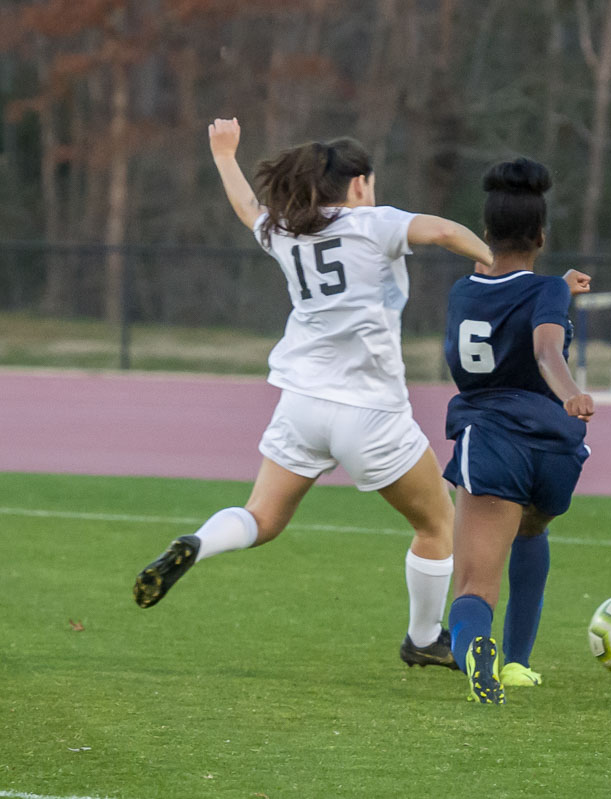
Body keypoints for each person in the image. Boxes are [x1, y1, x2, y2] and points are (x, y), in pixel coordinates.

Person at [133, 118, 495, 670]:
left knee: (261, 518)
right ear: (358, 184)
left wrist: (224, 155)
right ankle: (423, 639)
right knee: (435, 523)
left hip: (300, 404)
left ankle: (200, 543)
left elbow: (245, 211)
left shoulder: (287, 229)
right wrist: (495, 262)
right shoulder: (373, 223)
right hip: (369, 412)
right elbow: (444, 232)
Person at [440, 157, 595, 703]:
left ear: (485, 233)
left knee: (472, 588)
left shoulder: (463, 292)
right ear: (541, 235)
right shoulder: (547, 289)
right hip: (554, 447)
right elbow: (546, 341)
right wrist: (568, 394)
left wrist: (566, 383)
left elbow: (541, 349)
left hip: (494, 441)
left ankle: (476, 650)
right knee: (533, 530)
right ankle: (519, 665)